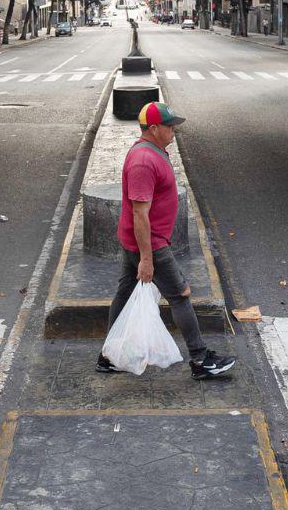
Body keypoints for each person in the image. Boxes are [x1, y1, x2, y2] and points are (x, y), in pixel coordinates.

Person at [99, 102, 236, 380]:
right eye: (169, 126)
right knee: (180, 294)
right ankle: (200, 359)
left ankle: (108, 357)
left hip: (138, 241)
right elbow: (140, 213)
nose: (174, 130)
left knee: (124, 294)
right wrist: (147, 259)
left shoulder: (154, 151)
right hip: (149, 243)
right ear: (153, 128)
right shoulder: (143, 161)